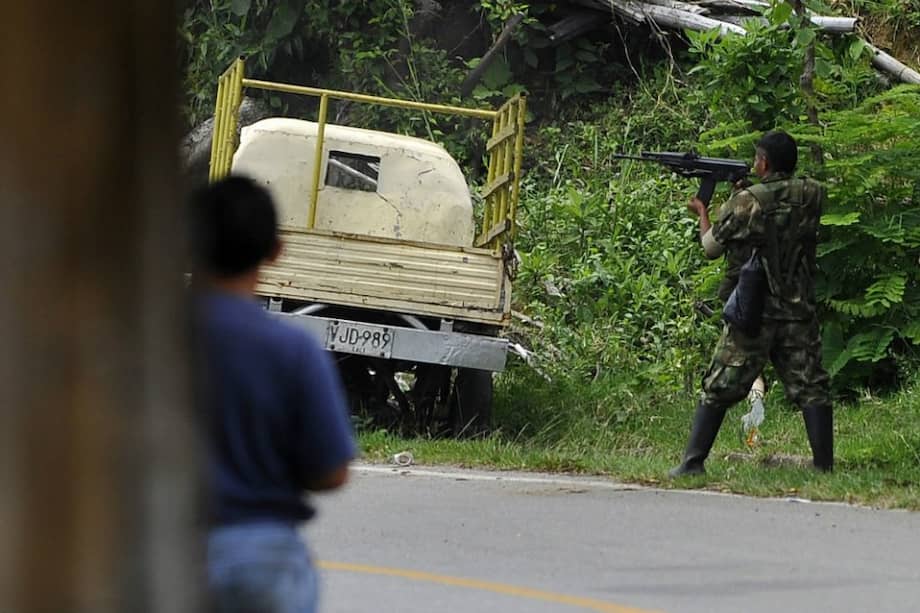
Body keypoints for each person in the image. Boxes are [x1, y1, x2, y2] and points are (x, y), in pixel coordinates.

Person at [191, 176, 357, 612]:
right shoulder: (292, 350)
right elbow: (332, 472)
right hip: (261, 557)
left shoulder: (143, 343)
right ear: (275, 251)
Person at [670, 130, 833, 476]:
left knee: (719, 383)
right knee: (811, 385)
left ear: (764, 163)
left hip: (757, 309)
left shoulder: (748, 202)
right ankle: (824, 467)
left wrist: (703, 211)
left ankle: (692, 463)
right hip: (799, 307)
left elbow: (711, 247)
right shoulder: (813, 193)